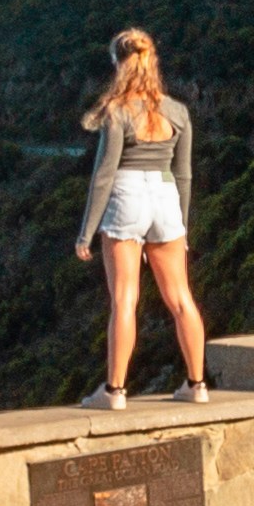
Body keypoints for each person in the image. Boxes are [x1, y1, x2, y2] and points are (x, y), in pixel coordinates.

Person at [72, 28, 209, 408]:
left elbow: (104, 173)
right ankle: (197, 384)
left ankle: (115, 391)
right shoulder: (178, 111)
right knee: (182, 298)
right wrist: (181, 227)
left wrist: (86, 233)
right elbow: (184, 174)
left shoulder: (117, 111)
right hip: (166, 197)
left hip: (126, 196)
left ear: (118, 63)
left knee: (125, 301)